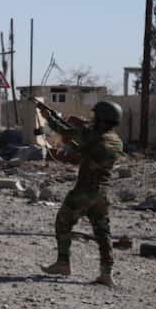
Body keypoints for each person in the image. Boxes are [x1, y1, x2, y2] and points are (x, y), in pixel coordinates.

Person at [36, 99, 124, 286]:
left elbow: (65, 131)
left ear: (101, 119)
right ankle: (106, 273)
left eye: (95, 116)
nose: (92, 119)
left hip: (85, 189)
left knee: (63, 221)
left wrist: (48, 117)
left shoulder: (93, 135)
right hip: (103, 192)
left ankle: (63, 262)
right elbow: (85, 148)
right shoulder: (117, 141)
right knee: (102, 231)